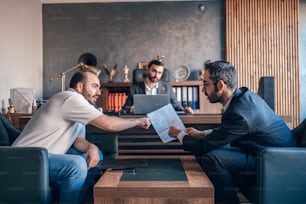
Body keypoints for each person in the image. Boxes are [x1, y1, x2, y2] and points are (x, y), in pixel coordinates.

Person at [12, 69, 151, 204]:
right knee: (77, 165)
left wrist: (92, 147)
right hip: (26, 159)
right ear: (79, 86)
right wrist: (137, 121)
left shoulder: (80, 105)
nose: (98, 92)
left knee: (96, 156)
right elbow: (109, 125)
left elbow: (78, 141)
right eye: (94, 86)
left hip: (46, 156)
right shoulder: (71, 98)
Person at [168, 60, 296, 204]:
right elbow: (227, 132)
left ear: (220, 85)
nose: (203, 90)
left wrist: (179, 134)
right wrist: (202, 134)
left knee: (212, 156)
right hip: (265, 153)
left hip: (277, 162)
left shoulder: (239, 113)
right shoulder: (243, 97)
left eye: (205, 84)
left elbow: (203, 146)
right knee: (216, 149)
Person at [122, 59, 193, 114]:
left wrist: (185, 110)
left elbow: (176, 106)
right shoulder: (134, 88)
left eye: (159, 72)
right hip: (142, 121)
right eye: (154, 71)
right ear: (147, 70)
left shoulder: (167, 88)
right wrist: (131, 109)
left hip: (162, 120)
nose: (156, 75)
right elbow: (125, 108)